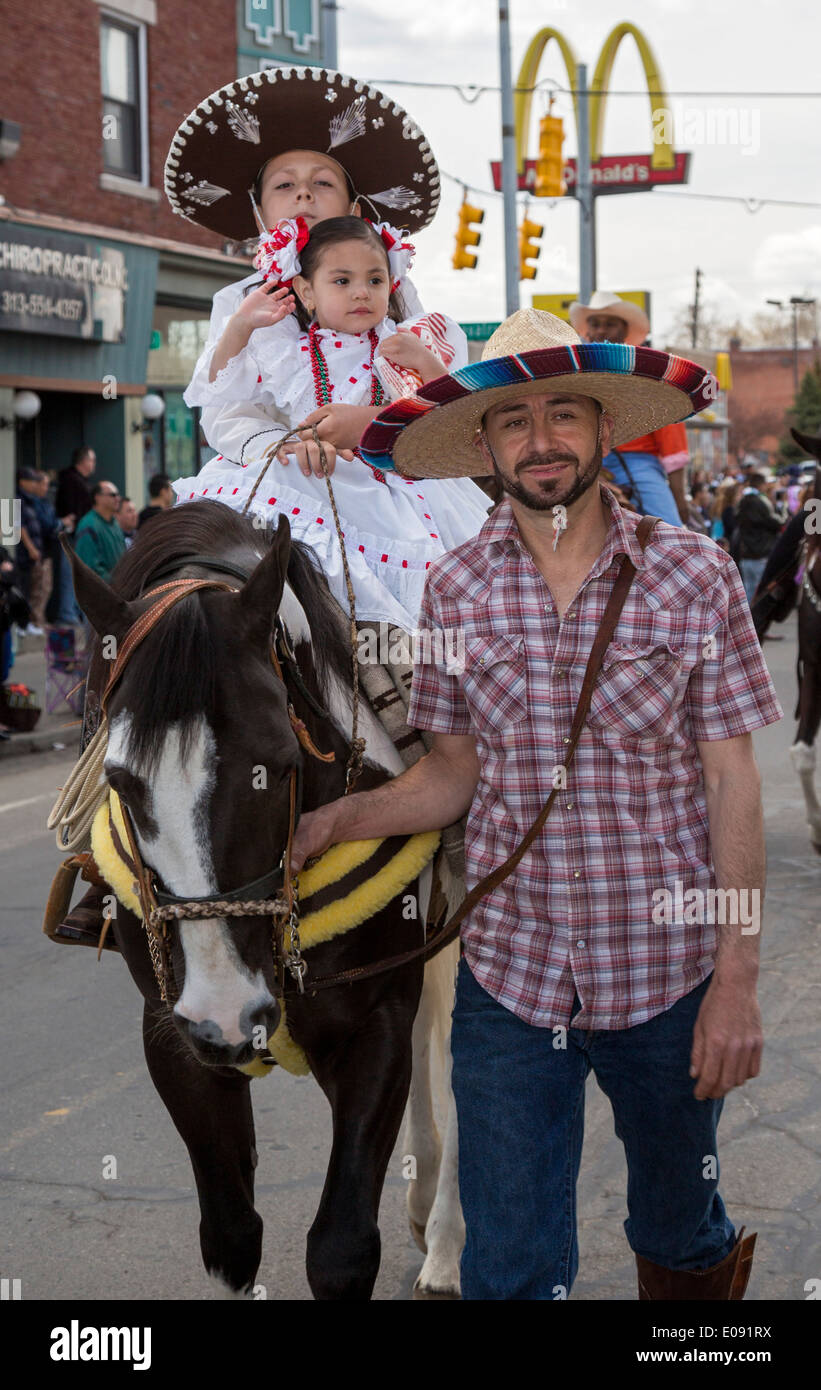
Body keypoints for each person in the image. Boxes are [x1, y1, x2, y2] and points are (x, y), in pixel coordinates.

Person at [293, 309, 782, 1301]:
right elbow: (450, 773)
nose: (540, 438)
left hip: (667, 971)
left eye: (563, 413)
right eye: (512, 420)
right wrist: (336, 820)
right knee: (505, 1265)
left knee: (676, 1228)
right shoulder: (454, 590)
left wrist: (734, 979)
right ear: (483, 443)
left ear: (603, 430)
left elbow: (733, 780)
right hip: (510, 980)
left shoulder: (690, 575)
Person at [174, 214, 487, 630]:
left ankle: (400, 661)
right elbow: (219, 388)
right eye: (342, 282)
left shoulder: (405, 341)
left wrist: (427, 363)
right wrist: (242, 325)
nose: (361, 292)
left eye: (375, 281)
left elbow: (453, 417)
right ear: (307, 292)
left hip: (392, 482)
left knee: (422, 574)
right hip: (316, 472)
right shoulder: (290, 353)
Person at [569, 291, 690, 527]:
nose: (601, 330)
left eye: (610, 324)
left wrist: (679, 498)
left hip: (636, 464)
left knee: (668, 529)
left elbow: (671, 438)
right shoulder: (575, 372)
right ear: (588, 330)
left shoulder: (647, 372)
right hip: (580, 461)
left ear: (624, 331)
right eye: (595, 323)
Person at [735, 470, 785, 603]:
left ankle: (747, 620)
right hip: (761, 553)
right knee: (760, 593)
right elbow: (774, 522)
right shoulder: (761, 502)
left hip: (746, 553)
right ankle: (756, 621)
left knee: (748, 590)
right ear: (761, 484)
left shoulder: (742, 502)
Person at [73, 482, 126, 583]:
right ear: (98, 497)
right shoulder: (88, 525)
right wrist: (115, 582)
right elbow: (88, 569)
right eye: (113, 495)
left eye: (118, 495)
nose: (117, 499)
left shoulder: (115, 524)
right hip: (97, 594)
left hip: (117, 591)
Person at [56, 446, 96, 523]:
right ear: (84, 461)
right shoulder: (70, 480)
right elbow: (71, 510)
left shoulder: (81, 481)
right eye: (92, 460)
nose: (94, 464)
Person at [710, 480, 740, 552]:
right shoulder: (728, 508)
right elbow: (731, 527)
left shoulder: (719, 504)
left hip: (719, 539)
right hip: (725, 543)